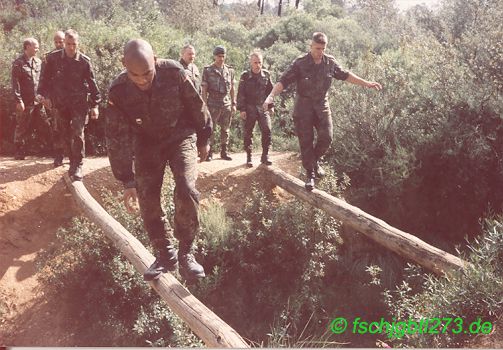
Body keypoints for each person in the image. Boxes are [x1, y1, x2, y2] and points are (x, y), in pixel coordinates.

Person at [105, 39, 212, 282]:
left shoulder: (174, 73)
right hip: (147, 143)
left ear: (155, 60)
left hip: (181, 135)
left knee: (186, 187)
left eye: (147, 73)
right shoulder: (119, 91)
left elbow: (197, 105)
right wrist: (127, 180)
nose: (143, 80)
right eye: (136, 75)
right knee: (147, 196)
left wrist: (205, 138)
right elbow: (116, 136)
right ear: (124, 65)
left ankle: (186, 253)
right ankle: (165, 254)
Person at [263, 32, 382, 191]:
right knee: (306, 141)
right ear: (311, 46)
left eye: (323, 48)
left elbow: (345, 75)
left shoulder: (329, 62)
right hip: (303, 107)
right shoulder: (300, 63)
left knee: (327, 137)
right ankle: (310, 175)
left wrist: (366, 83)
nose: (320, 52)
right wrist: (270, 96)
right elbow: (283, 81)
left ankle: (314, 161)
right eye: (317, 48)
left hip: (321, 105)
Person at [37, 29, 101, 179]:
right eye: (68, 44)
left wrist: (95, 105)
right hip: (60, 103)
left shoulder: (84, 61)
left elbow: (92, 84)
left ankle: (78, 164)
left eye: (74, 44)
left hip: (79, 104)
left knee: (77, 132)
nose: (71, 47)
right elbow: (45, 79)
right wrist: (43, 95)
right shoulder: (53, 59)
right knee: (64, 133)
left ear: (78, 44)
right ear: (64, 43)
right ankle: (72, 161)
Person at [11, 38, 52, 160]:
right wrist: (18, 100)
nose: (37, 49)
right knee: (22, 126)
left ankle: (46, 149)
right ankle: (19, 151)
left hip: (38, 101)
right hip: (25, 101)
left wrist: (44, 97)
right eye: (35, 46)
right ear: (27, 46)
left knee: (44, 124)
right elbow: (15, 83)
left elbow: (43, 81)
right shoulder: (18, 63)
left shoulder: (39, 62)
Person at [236, 50, 274, 167]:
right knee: (248, 133)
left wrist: (271, 106)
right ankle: (249, 157)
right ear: (251, 63)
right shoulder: (245, 76)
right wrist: (242, 109)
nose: (258, 65)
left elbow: (271, 92)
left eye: (260, 62)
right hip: (249, 108)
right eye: (255, 62)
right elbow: (240, 93)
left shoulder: (266, 75)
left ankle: (265, 156)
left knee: (267, 130)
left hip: (263, 107)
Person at [201, 45, 236, 161]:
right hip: (213, 103)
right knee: (211, 128)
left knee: (225, 129)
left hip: (226, 103)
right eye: (219, 56)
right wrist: (204, 105)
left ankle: (224, 152)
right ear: (214, 56)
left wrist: (234, 103)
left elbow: (232, 88)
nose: (221, 58)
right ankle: (209, 152)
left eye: (223, 56)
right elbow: (204, 89)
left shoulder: (230, 70)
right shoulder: (208, 70)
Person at [42, 30, 65, 166]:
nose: (58, 44)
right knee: (57, 128)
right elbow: (44, 80)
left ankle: (75, 158)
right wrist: (46, 97)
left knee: (73, 128)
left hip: (71, 100)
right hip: (56, 99)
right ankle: (59, 156)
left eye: (60, 41)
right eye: (56, 42)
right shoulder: (49, 58)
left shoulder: (72, 55)